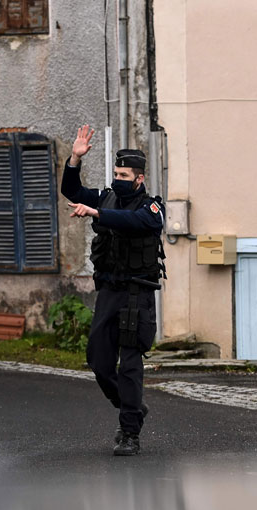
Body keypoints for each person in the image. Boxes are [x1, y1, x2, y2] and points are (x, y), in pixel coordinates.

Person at [61, 125, 165, 456]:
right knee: (99, 360)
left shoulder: (150, 208)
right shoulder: (107, 196)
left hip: (138, 293)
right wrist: (75, 158)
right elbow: (70, 190)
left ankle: (129, 433)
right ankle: (131, 407)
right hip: (109, 291)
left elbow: (135, 223)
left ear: (139, 179)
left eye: (125, 174)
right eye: (116, 172)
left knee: (130, 364)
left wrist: (98, 213)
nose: (119, 178)